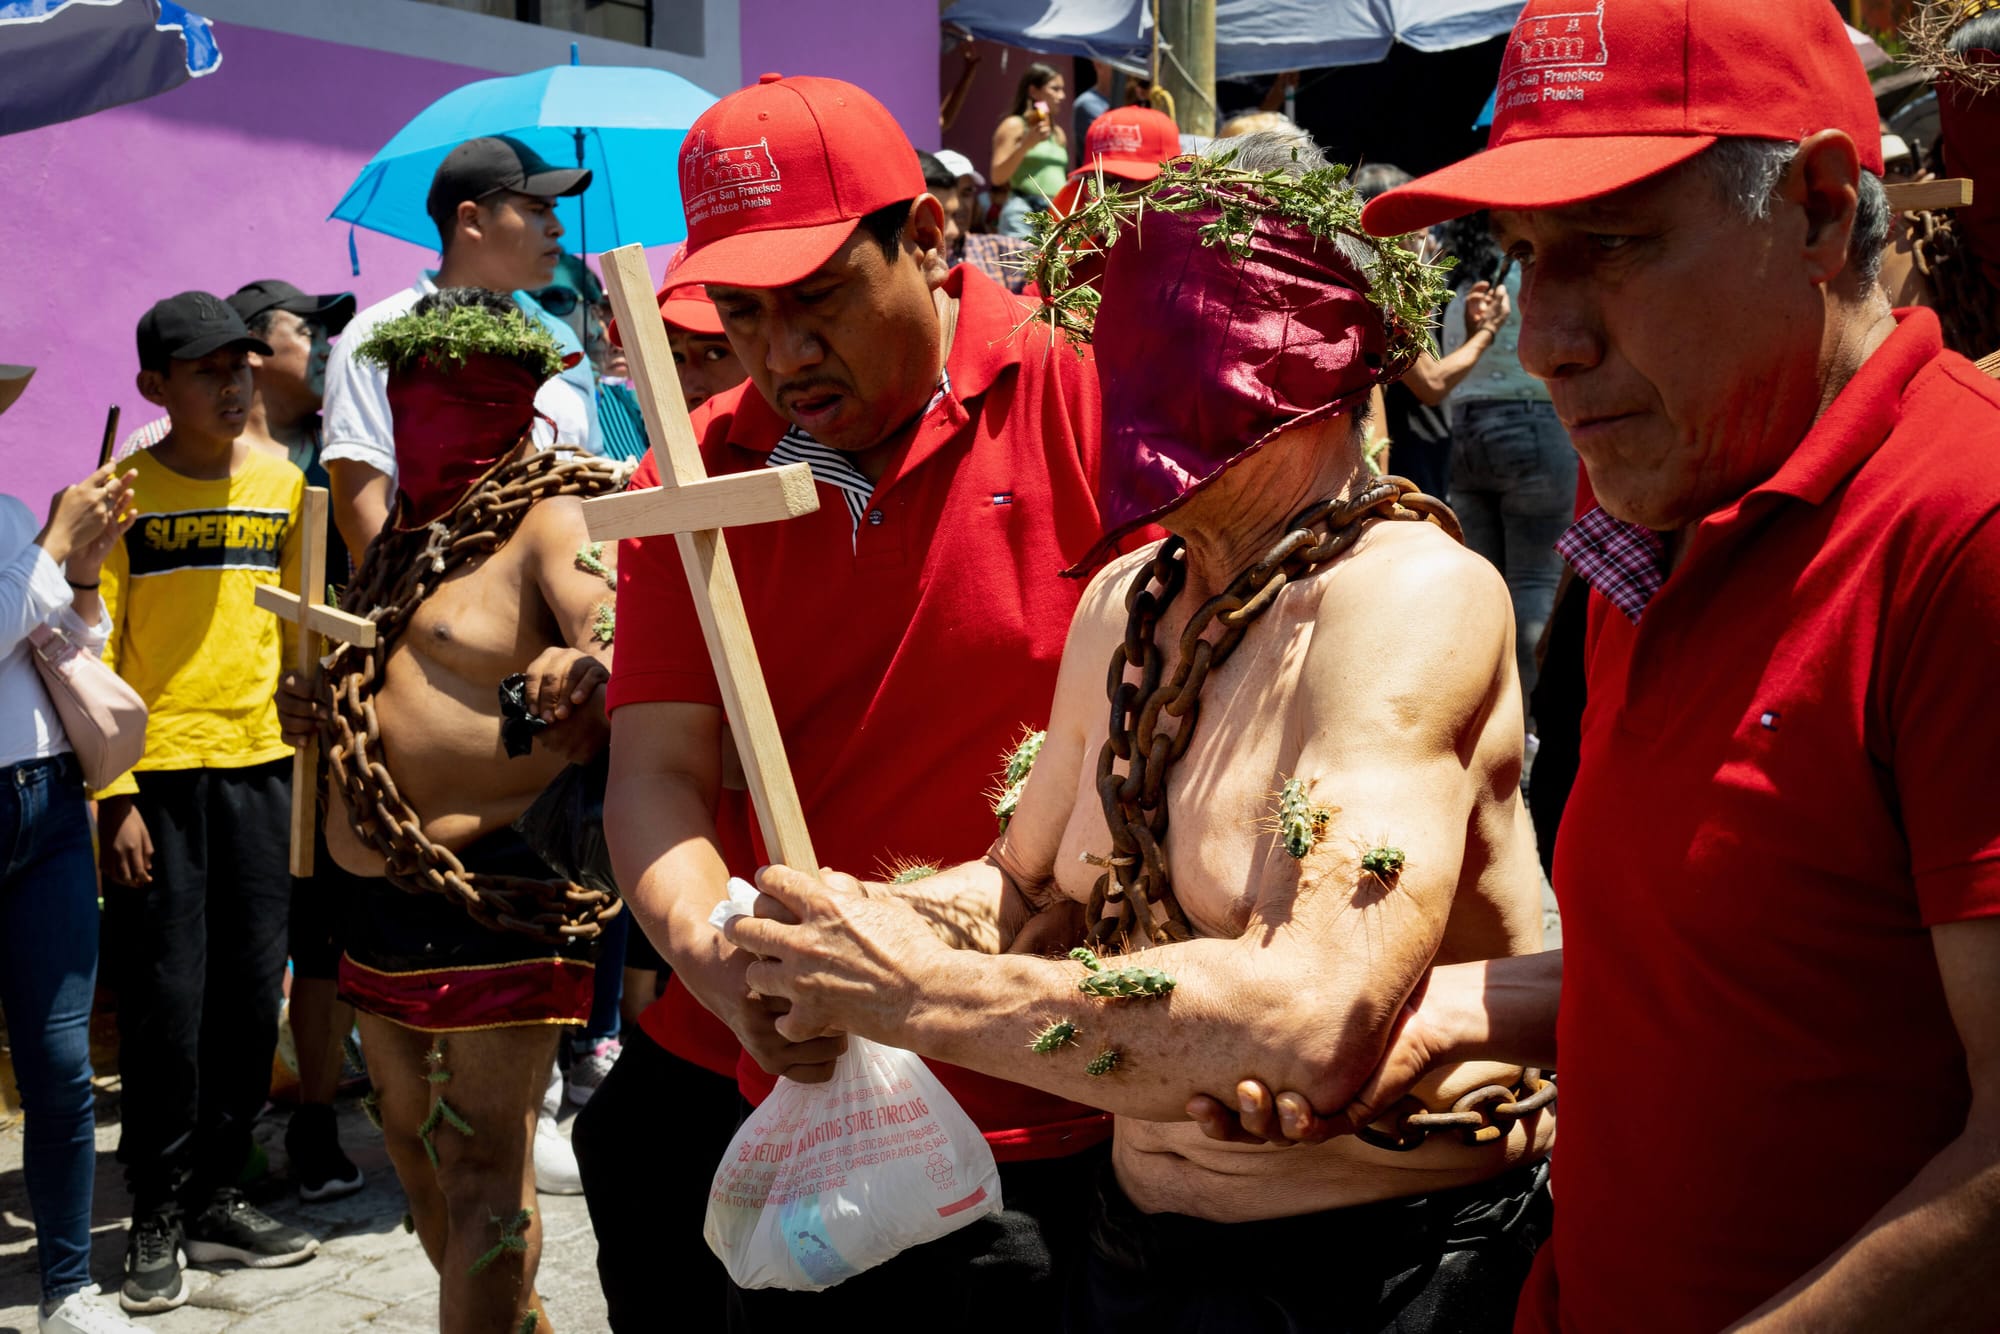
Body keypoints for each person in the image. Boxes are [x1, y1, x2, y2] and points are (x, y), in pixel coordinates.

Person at [1207, 0, 2000, 1328]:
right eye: (1522, 256)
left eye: (1612, 247)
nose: (1543, 335)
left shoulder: (1961, 533)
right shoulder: (1665, 511)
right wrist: (1430, 1015)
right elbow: (1735, 967)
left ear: (1813, 211)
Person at [726, 131, 1552, 1334]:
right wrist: (843, 930)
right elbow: (1020, 891)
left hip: (1378, 1271)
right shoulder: (1128, 602)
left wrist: (911, 991)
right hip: (1134, 1252)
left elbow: (1315, 1012)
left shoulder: (1405, 596)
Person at [583, 73, 1119, 1332]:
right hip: (788, 1101)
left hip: (1050, 1089)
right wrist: (715, 957)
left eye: (817, 301)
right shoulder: (692, 471)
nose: (780, 356)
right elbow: (656, 772)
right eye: (745, 314)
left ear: (927, 238)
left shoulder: (1085, 397)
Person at [279, 288, 628, 1334]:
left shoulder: (552, 517)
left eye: (455, 394)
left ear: (510, 397)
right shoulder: (398, 544)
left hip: (498, 887)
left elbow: (612, 621)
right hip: (373, 894)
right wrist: (320, 698)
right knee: (414, 1148)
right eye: (411, 394)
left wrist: (585, 661)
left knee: (482, 1162)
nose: (429, 416)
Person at [97, 293, 320, 1314]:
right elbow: (87, 656)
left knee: (245, 995)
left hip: (263, 768)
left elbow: (302, 634)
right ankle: (155, 1205)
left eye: (240, 367)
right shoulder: (118, 500)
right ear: (155, 387)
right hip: (157, 781)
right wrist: (115, 792)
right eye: (204, 371)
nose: (231, 386)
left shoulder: (284, 487)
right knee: (165, 1005)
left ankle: (220, 1191)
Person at [216, 278, 370, 1204]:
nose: (320, 347)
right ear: (248, 351)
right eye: (303, 331)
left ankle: (316, 1117)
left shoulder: (336, 456)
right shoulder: (199, 464)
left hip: (327, 733)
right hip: (232, 744)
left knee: (322, 943)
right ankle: (223, 1132)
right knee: (232, 953)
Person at [2, 369, 144, 1334]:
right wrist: (53, 550)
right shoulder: (24, 526)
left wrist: (82, 569)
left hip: (47, 800)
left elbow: (67, 640)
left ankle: (66, 1288)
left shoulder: (10, 512)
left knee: (58, 1066)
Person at [319, 135, 594, 565]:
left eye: (555, 211)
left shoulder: (562, 338)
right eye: (537, 210)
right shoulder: (377, 337)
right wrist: (418, 620)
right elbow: (361, 509)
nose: (558, 228)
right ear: (472, 220)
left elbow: (586, 489)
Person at [990, 62, 1068, 237]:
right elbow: (997, 176)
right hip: (1024, 212)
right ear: (1033, 91)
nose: (1062, 96)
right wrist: (1025, 145)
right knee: (1022, 264)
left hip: (1056, 215)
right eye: (1055, 89)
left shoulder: (1058, 134)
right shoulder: (1014, 126)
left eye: (1062, 89)